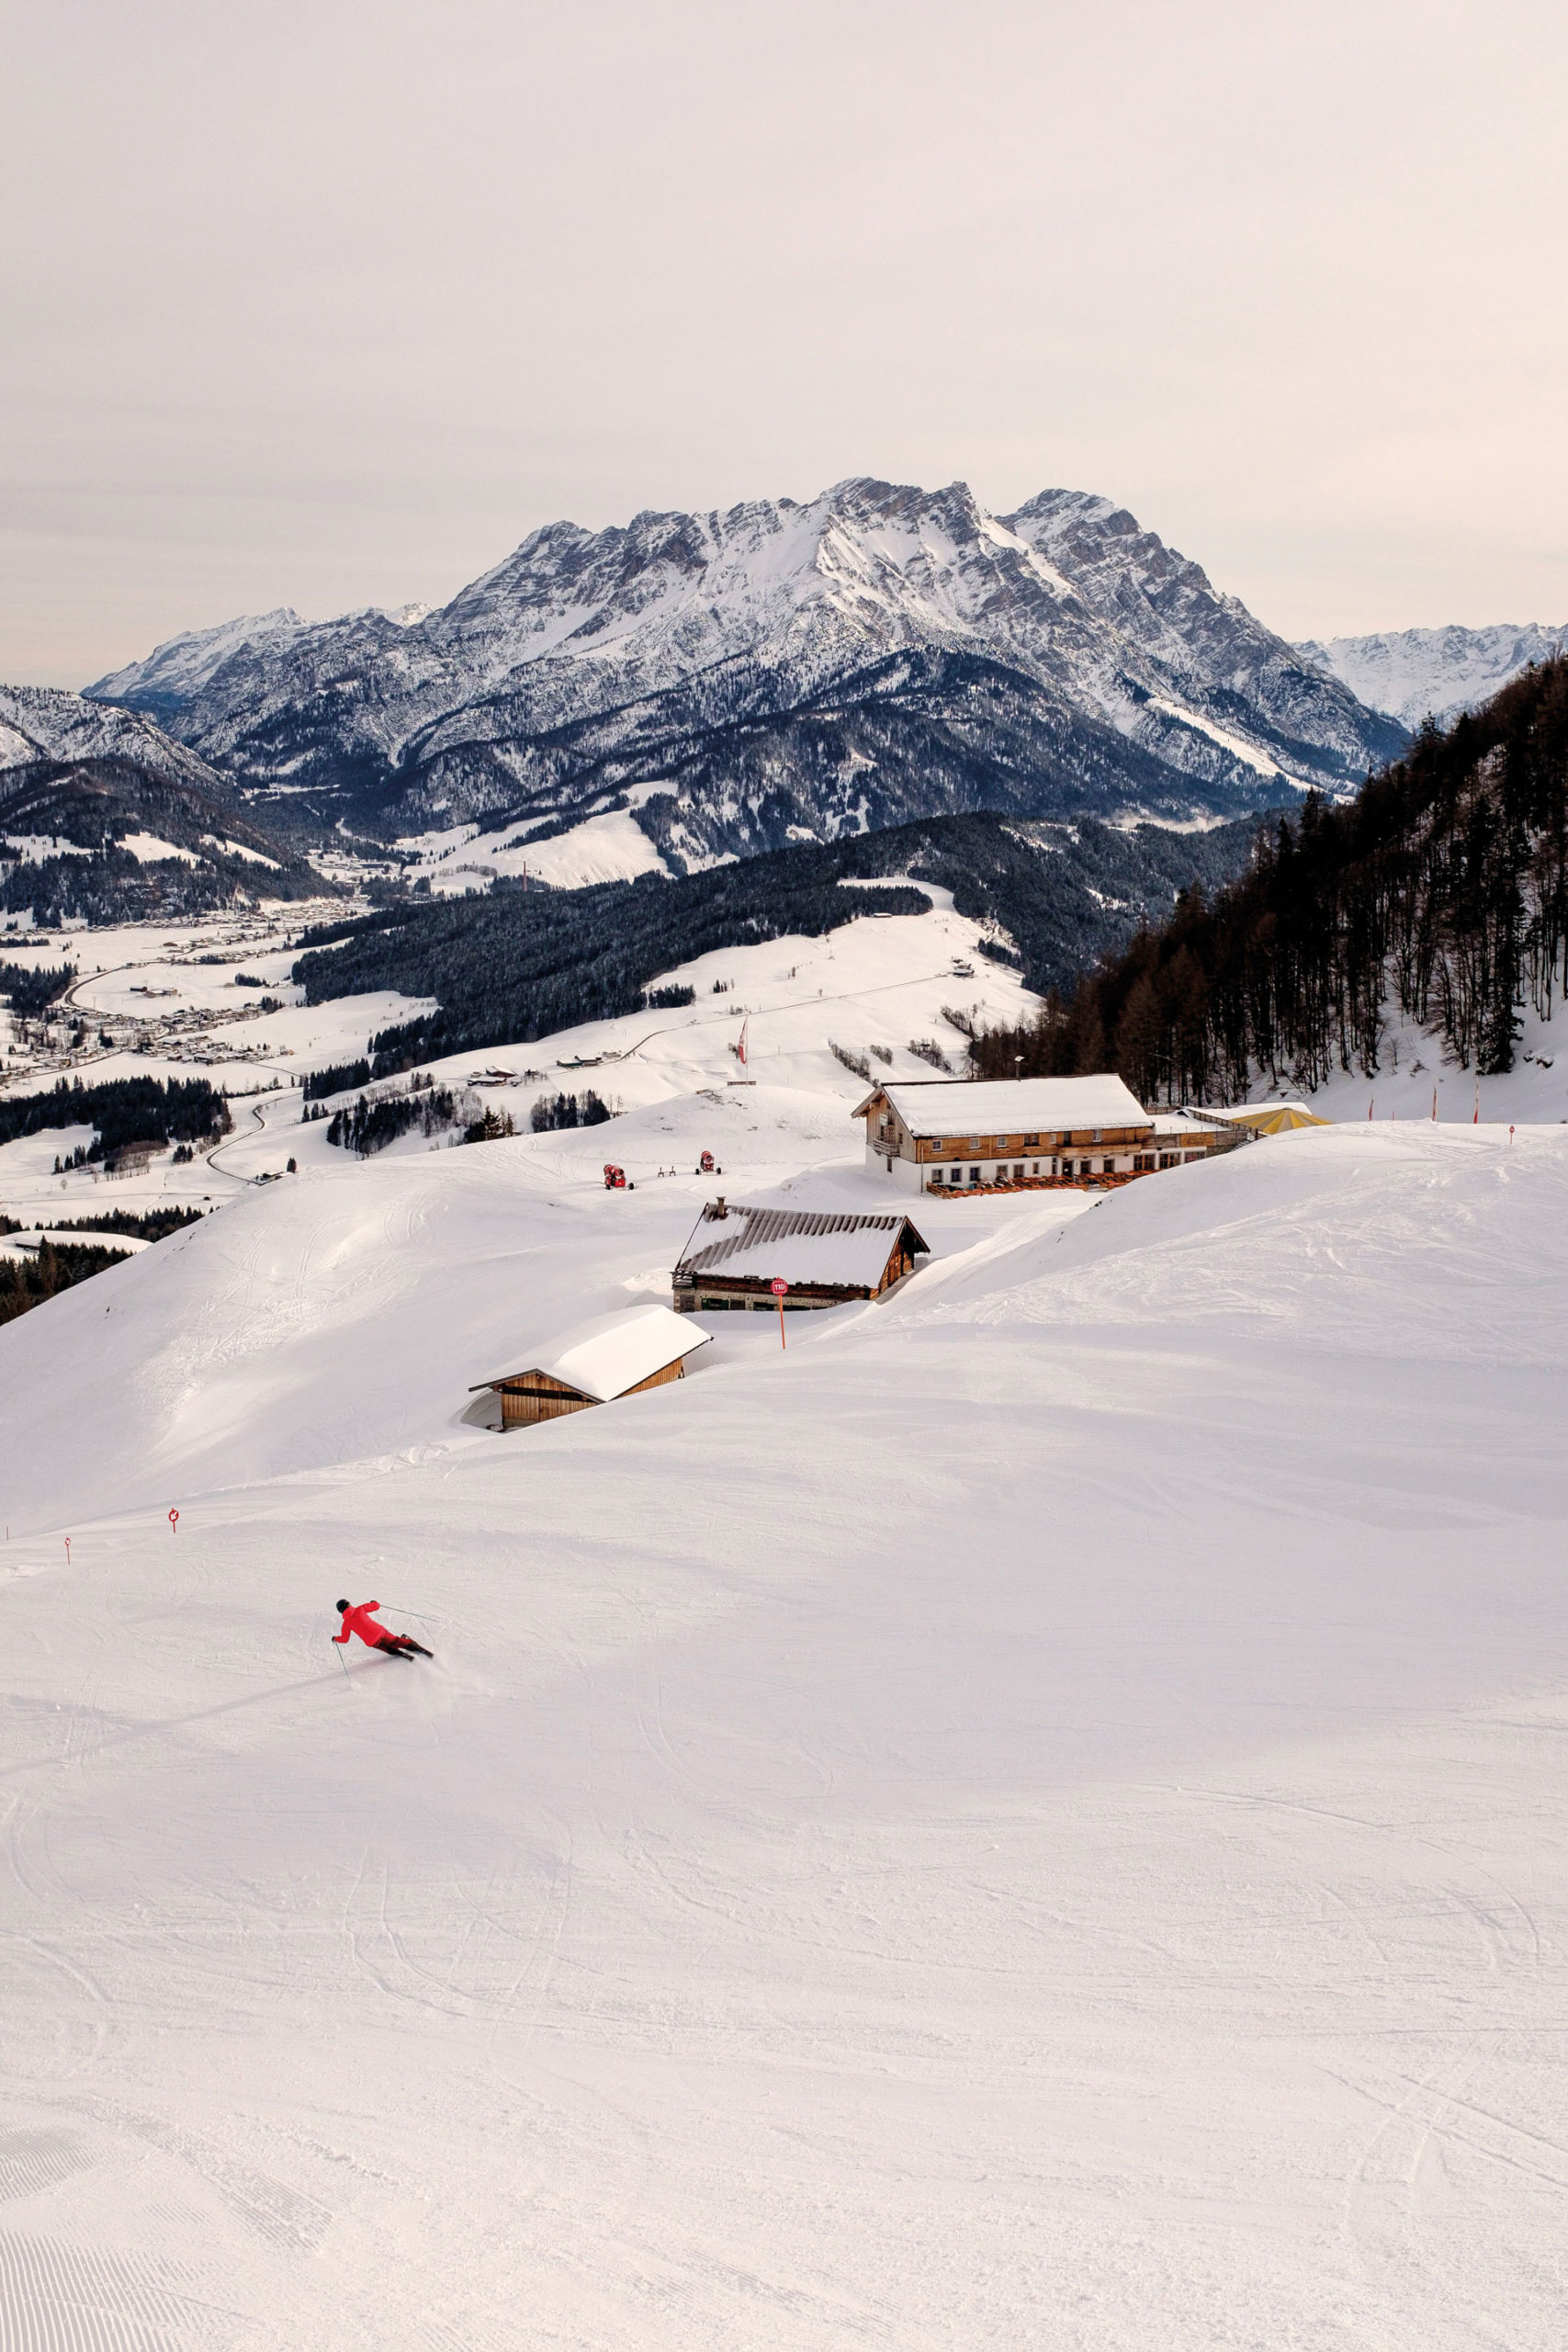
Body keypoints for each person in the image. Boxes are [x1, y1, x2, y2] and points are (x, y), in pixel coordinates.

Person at [333, 1599, 432, 1660]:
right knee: (395, 1641)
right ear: (349, 1604)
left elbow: (345, 1639)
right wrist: (374, 1602)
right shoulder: (360, 1609)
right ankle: (415, 1647)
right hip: (380, 1633)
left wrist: (336, 1639)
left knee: (387, 1648)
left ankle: (399, 1653)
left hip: (371, 1642)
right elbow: (376, 1606)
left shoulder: (346, 1623)